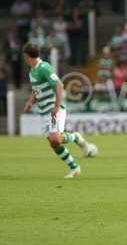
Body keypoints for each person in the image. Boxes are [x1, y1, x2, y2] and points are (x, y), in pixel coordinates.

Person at [22, 44, 98, 179]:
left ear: (27, 57)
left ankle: (76, 137)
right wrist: (30, 101)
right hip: (44, 112)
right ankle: (74, 167)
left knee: (55, 139)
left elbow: (59, 84)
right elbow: (36, 89)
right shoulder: (32, 71)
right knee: (54, 143)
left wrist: (57, 105)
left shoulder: (44, 68)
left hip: (54, 109)